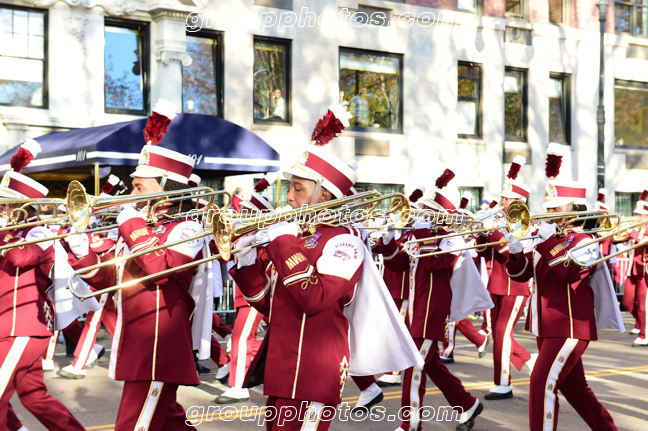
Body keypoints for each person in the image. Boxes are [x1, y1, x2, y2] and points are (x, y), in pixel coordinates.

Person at [220, 104, 419, 430]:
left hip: (314, 370)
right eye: (290, 188)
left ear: (324, 195)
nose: (290, 197)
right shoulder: (296, 236)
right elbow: (271, 305)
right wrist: (247, 263)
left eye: (298, 188)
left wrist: (282, 242)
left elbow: (314, 299)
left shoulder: (344, 241)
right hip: (283, 366)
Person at [67, 100, 208, 430]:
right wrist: (81, 250)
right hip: (138, 343)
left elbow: (160, 271)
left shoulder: (187, 228)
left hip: (159, 346)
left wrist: (132, 225)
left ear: (166, 191)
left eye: (138, 187)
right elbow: (109, 281)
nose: (130, 194)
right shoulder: (139, 227)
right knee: (169, 422)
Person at [504, 143, 622, 431]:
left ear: (574, 209)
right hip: (546, 327)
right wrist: (516, 251)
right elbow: (522, 275)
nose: (549, 213)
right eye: (548, 208)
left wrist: (546, 243)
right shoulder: (548, 238)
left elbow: (570, 274)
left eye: (555, 208)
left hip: (570, 327)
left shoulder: (586, 242)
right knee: (575, 390)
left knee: (540, 383)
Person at [380, 170, 489, 431]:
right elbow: (399, 266)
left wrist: (421, 234)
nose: (419, 215)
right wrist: (388, 243)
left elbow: (433, 265)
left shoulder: (451, 240)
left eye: (426, 212)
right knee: (430, 364)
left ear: (439, 216)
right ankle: (466, 403)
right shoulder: (419, 236)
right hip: (414, 310)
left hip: (432, 311)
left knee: (415, 366)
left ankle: (410, 425)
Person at [0, 140, 85, 431]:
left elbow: (18, 257)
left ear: (19, 207)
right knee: (34, 397)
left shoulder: (38, 232)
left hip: (21, 328)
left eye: (4, 203)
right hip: (12, 328)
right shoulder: (10, 232)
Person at [475, 155, 536, 399]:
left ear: (519, 201)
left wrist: (491, 231)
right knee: (500, 333)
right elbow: (483, 252)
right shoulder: (498, 220)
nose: (501, 201)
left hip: (515, 286)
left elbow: (507, 251)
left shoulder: (526, 223)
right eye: (502, 197)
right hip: (497, 283)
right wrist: (480, 233)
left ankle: (503, 383)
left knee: (501, 332)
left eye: (506, 198)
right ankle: (528, 359)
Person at [615, 190, 648, 346]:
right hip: (632, 269)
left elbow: (644, 242)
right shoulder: (635, 228)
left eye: (640, 214)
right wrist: (618, 232)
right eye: (636, 214)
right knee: (627, 302)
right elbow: (615, 240)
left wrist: (633, 232)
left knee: (643, 305)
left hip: (644, 270)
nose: (636, 217)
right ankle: (641, 324)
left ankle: (643, 334)